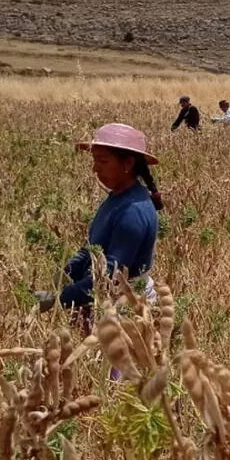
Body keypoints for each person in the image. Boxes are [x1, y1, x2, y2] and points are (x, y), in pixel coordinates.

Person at [33, 123, 163, 337]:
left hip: (124, 306)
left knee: (116, 368)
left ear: (128, 163)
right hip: (100, 296)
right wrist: (67, 273)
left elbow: (110, 275)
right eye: (94, 160)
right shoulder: (118, 197)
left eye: (102, 161)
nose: (95, 168)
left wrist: (58, 298)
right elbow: (94, 248)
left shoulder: (132, 212)